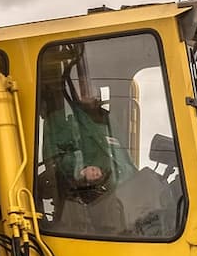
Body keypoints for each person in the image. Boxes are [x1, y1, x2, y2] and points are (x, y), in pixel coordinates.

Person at [41, 74, 136, 235]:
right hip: (74, 209)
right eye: (80, 81)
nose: (88, 87)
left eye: (92, 81)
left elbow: (124, 160)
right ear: (69, 87)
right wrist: (79, 170)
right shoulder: (58, 121)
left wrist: (127, 177)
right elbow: (53, 162)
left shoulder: (109, 121)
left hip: (113, 206)